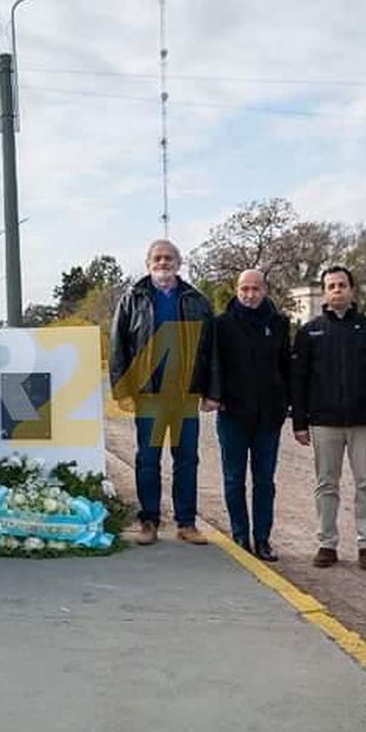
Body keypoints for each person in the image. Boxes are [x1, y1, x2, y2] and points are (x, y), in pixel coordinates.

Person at [109, 239, 213, 545]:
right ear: (147, 263)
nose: (163, 262)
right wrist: (122, 390)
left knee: (186, 460)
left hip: (184, 396)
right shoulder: (132, 299)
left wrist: (211, 391)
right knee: (148, 459)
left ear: (179, 264)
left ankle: (186, 523)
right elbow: (118, 347)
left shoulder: (196, 300)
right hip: (149, 396)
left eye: (169, 258)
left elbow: (210, 350)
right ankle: (149, 521)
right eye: (157, 258)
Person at [290, 265, 366, 571]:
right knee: (326, 484)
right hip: (324, 422)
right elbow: (300, 380)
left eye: (342, 285)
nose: (337, 290)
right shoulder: (310, 332)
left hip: (364, 421)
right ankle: (327, 543)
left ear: (352, 290)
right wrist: (299, 422)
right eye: (331, 286)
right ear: (324, 292)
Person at [191, 269, 292, 561]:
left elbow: (286, 366)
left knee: (265, 481)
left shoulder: (279, 324)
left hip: (268, 416)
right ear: (237, 290)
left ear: (265, 290)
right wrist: (211, 394)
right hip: (232, 414)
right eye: (244, 289)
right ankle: (240, 536)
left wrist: (288, 402)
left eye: (256, 289)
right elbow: (208, 361)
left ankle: (262, 539)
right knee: (234, 479)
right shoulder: (220, 324)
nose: (250, 295)